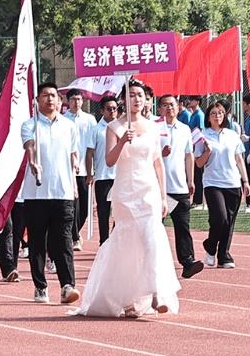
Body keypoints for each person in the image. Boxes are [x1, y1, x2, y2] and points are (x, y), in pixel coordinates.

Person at [75, 80, 182, 318]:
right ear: (123, 99)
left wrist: (163, 196)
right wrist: (123, 140)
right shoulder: (114, 127)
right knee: (127, 243)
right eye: (131, 95)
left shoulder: (153, 126)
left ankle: (156, 292)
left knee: (152, 239)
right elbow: (110, 160)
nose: (136, 99)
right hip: (125, 191)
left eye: (140, 95)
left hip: (149, 191)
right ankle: (126, 300)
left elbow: (158, 163)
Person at [17, 82, 81, 305]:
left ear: (60, 100)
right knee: (37, 242)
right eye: (45, 95)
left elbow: (73, 154)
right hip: (36, 193)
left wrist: (75, 173)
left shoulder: (69, 126)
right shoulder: (29, 125)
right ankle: (40, 286)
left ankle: (67, 285)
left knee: (63, 241)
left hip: (63, 192)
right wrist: (33, 163)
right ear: (37, 100)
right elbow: (29, 147)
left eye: (53, 95)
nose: (50, 99)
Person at [195, 100, 250, 269]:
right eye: (213, 113)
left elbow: (239, 159)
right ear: (208, 117)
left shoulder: (232, 134)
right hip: (212, 182)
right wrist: (207, 151)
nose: (217, 116)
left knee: (229, 221)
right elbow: (199, 163)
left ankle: (223, 255)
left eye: (220, 113)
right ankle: (211, 245)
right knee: (220, 218)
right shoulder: (202, 136)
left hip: (232, 182)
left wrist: (245, 181)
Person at [158, 95, 203, 279]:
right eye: (165, 105)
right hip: (159, 188)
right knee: (155, 227)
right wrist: (161, 153)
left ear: (178, 107)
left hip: (179, 187)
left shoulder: (185, 129)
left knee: (183, 226)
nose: (169, 108)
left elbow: (188, 155)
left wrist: (190, 180)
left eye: (172, 105)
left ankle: (188, 261)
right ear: (159, 109)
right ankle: (155, 263)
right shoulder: (154, 128)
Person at [64, 90, 97, 250]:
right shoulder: (63, 119)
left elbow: (94, 144)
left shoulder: (90, 120)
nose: (76, 102)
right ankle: (74, 237)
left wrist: (92, 169)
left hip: (85, 167)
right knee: (73, 205)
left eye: (78, 99)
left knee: (84, 207)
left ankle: (74, 232)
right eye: (73, 99)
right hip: (69, 169)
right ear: (68, 101)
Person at [90, 97, 119, 244]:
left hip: (120, 176)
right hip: (103, 176)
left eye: (115, 108)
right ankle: (104, 242)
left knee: (120, 212)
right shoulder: (96, 129)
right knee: (103, 212)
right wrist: (90, 173)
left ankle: (114, 240)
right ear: (102, 111)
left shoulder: (123, 128)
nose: (112, 111)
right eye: (109, 109)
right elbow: (90, 152)